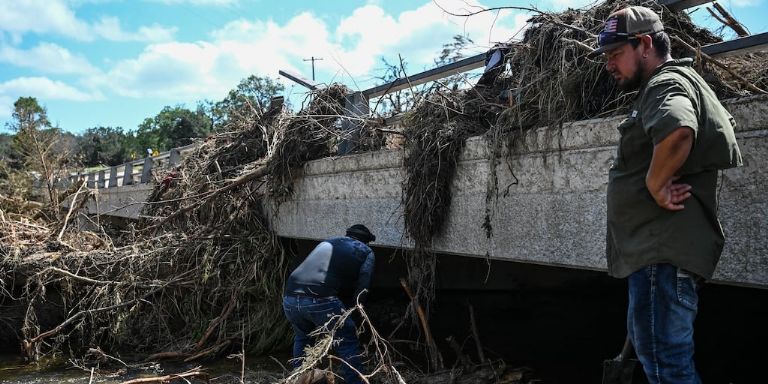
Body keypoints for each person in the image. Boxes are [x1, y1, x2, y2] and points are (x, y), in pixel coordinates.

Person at [589, 6, 742, 383]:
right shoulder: (676, 81)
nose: (609, 65)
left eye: (614, 54)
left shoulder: (665, 84)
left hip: (662, 253)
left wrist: (656, 185)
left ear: (643, 44)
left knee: (667, 366)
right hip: (660, 253)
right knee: (661, 358)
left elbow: (678, 129)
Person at [283, 224, 376, 384]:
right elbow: (363, 287)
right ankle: (355, 382)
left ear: (347, 235)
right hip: (320, 299)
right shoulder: (366, 252)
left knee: (303, 338)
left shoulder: (328, 242)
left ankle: (299, 379)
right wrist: (355, 312)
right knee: (347, 340)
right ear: (366, 241)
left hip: (289, 297)